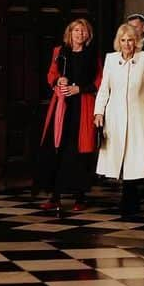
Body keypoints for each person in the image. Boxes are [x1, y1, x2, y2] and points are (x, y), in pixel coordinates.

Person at [35, 19, 103, 214]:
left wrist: (79, 89)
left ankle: (80, 197)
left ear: (88, 35)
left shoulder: (92, 55)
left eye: (83, 31)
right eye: (76, 30)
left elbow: (99, 80)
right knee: (58, 149)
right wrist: (59, 80)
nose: (79, 34)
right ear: (70, 33)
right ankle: (54, 197)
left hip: (83, 105)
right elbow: (51, 74)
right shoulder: (60, 52)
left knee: (81, 152)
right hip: (62, 106)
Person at [94, 23, 144, 215]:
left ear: (136, 41)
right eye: (123, 40)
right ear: (118, 42)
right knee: (119, 157)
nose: (127, 44)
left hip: (139, 114)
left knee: (136, 157)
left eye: (130, 40)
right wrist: (99, 112)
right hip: (114, 116)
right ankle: (128, 195)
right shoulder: (111, 60)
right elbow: (104, 88)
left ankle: (130, 197)